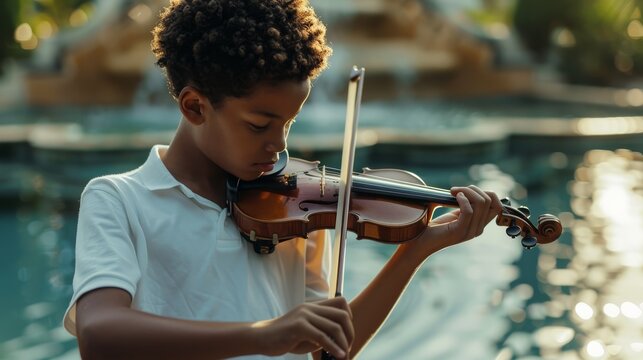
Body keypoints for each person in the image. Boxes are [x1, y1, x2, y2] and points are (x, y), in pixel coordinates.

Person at [63, 0, 503, 359]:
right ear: (195, 107)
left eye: (288, 124)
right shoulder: (119, 199)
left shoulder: (296, 210)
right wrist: (261, 335)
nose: (279, 147)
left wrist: (414, 251)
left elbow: (329, 349)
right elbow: (100, 334)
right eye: (259, 125)